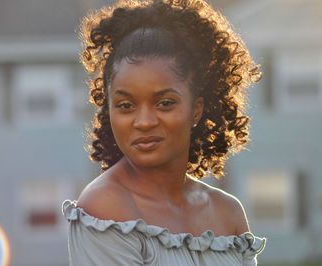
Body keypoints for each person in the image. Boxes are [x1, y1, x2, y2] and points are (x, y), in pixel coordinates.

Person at [62, 0, 266, 265]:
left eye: (165, 103)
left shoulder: (228, 213)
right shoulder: (106, 208)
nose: (144, 122)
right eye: (126, 106)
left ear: (196, 109)